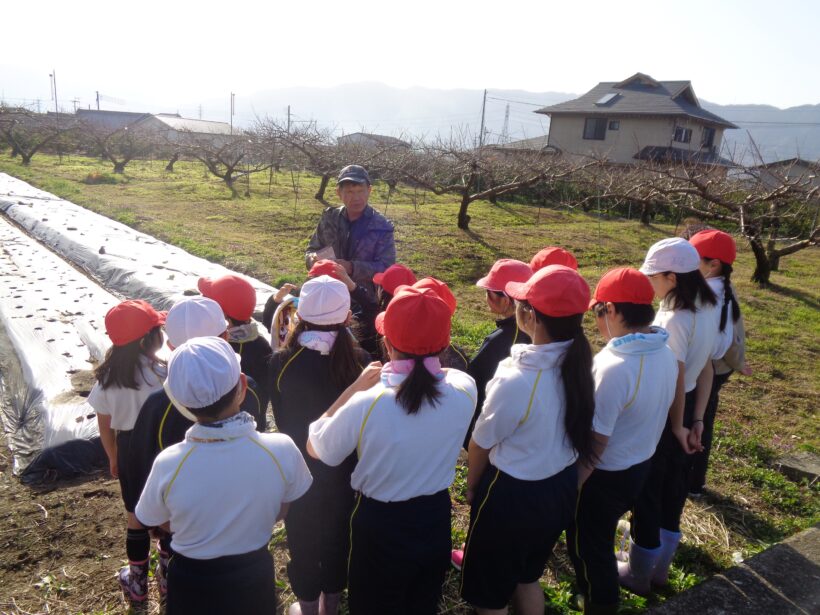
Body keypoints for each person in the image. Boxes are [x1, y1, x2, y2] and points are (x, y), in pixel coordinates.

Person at [307, 286, 477, 615]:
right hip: (435, 517)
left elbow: (316, 446)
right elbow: (442, 378)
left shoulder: (369, 402)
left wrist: (355, 388)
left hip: (381, 525)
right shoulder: (464, 389)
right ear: (445, 345)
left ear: (386, 343)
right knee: (421, 602)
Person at [135, 337, 312, 615]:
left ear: (179, 401)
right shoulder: (280, 449)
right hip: (253, 574)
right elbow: (283, 508)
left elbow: (153, 519)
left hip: (190, 580)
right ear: (242, 386)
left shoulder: (169, 462)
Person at [459, 265, 596, 615]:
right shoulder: (582, 363)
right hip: (559, 488)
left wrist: (473, 487)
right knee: (527, 576)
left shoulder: (518, 377)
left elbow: (481, 443)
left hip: (512, 498)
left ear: (530, 316)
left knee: (489, 595)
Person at [127, 296, 267, 601]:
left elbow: (143, 470)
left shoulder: (157, 406)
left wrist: (157, 522)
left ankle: (168, 584)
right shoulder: (249, 390)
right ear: (226, 337)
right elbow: (260, 448)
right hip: (245, 528)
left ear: (171, 347)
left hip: (184, 533)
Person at [567, 268, 678, 615]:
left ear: (612, 310)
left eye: (598, 312)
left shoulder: (613, 366)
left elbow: (596, 442)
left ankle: (600, 601)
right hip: (640, 463)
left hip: (604, 475)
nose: (597, 322)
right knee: (601, 535)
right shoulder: (665, 352)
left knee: (589, 545)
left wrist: (570, 488)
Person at [620, 238, 718, 595]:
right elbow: (706, 366)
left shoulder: (674, 316)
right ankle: (660, 571)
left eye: (654, 277)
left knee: (649, 490)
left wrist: (676, 425)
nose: (650, 283)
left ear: (672, 278)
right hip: (692, 402)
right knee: (674, 488)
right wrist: (698, 420)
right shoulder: (709, 306)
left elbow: (674, 375)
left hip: (668, 408)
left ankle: (638, 575)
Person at [268, 275, 371, 615]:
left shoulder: (282, 364)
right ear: (346, 317)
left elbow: (283, 419)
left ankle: (308, 607)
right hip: (348, 475)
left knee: (304, 542)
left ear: (300, 314)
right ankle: (332, 604)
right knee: (341, 538)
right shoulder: (361, 361)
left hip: (300, 475)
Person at [86, 300, 167, 608]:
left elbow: (104, 425)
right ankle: (167, 575)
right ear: (149, 339)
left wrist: (112, 455)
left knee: (136, 516)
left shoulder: (108, 379)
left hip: (130, 448)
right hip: (161, 444)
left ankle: (137, 583)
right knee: (166, 511)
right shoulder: (162, 372)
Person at [687, 230, 748, 496]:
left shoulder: (702, 296)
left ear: (714, 264)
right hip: (722, 366)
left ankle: (691, 480)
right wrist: (738, 362)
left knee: (697, 421)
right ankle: (694, 481)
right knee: (704, 417)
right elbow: (734, 331)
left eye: (694, 259)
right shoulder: (725, 287)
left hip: (707, 367)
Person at [463, 258, 533, 450]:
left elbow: (472, 380)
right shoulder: (539, 329)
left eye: (489, 292)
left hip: (493, 436)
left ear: (505, 299)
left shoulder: (499, 341)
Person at [305, 165, 396, 291]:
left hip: (363, 299)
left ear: (369, 190)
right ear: (338, 193)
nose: (356, 198)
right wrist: (313, 260)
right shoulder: (330, 218)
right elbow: (312, 250)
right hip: (326, 291)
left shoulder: (381, 227)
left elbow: (387, 267)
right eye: (349, 192)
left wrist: (351, 267)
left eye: (360, 191)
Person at [199, 274, 271, 430]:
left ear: (225, 318)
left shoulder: (218, 352)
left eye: (208, 302)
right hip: (253, 428)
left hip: (220, 431)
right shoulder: (262, 345)